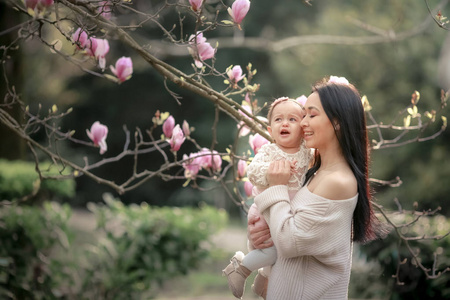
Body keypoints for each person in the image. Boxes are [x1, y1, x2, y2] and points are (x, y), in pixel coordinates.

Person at [247, 76, 383, 299]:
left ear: (337, 121)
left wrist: (277, 187)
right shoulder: (316, 172)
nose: (302, 123)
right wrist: (261, 234)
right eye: (303, 115)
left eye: (311, 115)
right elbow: (288, 230)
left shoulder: (338, 181)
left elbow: (290, 242)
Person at [223, 97, 312, 299]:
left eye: (292, 119)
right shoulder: (270, 151)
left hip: (287, 211)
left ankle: (263, 281)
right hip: (267, 208)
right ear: (270, 131)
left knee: (279, 253)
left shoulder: (307, 153)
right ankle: (240, 269)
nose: (285, 123)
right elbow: (253, 171)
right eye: (279, 119)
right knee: (272, 250)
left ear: (303, 129)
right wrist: (273, 173)